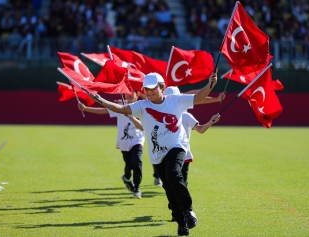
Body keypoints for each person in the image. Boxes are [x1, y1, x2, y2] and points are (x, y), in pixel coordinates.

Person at [87, 70, 218, 236]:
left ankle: (189, 211)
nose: (148, 92)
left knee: (173, 175)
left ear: (162, 87)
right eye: (146, 89)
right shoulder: (142, 106)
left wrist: (210, 84)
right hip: (157, 156)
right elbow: (121, 108)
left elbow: (198, 97)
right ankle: (181, 224)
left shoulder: (175, 100)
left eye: (152, 88)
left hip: (176, 147)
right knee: (170, 192)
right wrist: (99, 99)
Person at [163, 86, 221, 222]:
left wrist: (211, 121)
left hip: (184, 156)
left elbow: (200, 129)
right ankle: (176, 209)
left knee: (180, 184)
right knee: (170, 186)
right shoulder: (162, 117)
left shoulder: (186, 116)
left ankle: (181, 212)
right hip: (166, 156)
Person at [78, 90, 145, 199]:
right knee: (129, 165)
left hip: (137, 141)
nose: (128, 95)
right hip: (124, 142)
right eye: (126, 93)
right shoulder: (120, 107)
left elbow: (141, 127)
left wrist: (131, 117)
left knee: (137, 163)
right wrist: (85, 108)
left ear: (137, 94)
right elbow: (103, 111)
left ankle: (137, 189)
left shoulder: (142, 107)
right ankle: (127, 178)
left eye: (131, 92)